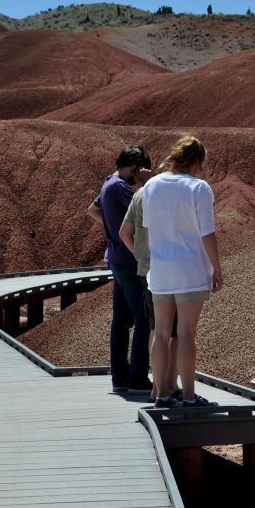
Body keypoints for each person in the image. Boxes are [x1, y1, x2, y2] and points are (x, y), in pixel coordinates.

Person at [142, 135, 223, 408]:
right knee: (187, 334)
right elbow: (207, 233)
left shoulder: (151, 185)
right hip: (190, 269)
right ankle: (188, 395)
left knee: (162, 333)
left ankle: (161, 393)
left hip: (161, 270)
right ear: (197, 161)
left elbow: (148, 226)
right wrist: (216, 269)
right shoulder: (199, 188)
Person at [86, 145, 153, 394]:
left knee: (122, 321)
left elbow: (92, 210)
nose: (138, 179)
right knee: (145, 319)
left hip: (116, 258)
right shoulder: (122, 188)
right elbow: (146, 210)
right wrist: (148, 184)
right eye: (139, 172)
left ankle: (120, 377)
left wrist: (113, 227)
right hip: (129, 261)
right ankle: (137, 379)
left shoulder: (108, 183)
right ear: (135, 166)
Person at [119, 187, 179, 404]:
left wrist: (139, 254)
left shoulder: (139, 194)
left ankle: (159, 386)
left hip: (147, 269)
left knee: (156, 327)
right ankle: (168, 386)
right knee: (175, 332)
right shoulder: (170, 192)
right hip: (171, 267)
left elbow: (124, 232)